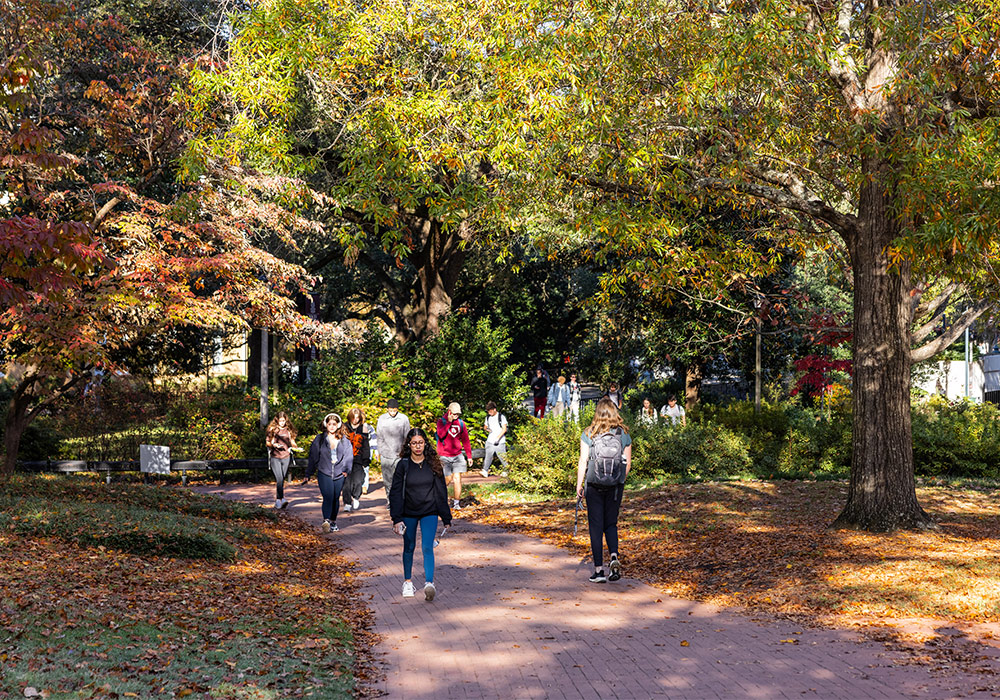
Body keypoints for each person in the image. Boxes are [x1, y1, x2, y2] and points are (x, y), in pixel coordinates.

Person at [390, 428, 452, 601]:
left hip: (429, 511)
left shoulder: (433, 464)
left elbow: (441, 491)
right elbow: (395, 492)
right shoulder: (403, 465)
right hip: (408, 512)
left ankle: (429, 584)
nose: (418, 446)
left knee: (427, 547)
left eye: (421, 442)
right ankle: (408, 582)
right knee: (409, 546)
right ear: (409, 445)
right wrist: (397, 519)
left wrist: (446, 517)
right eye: (414, 443)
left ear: (426, 443)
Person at [575, 397, 632, 583]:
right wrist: (618, 480)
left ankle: (599, 570)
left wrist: (579, 485)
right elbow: (627, 463)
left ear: (597, 413)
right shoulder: (623, 434)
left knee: (596, 527)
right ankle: (614, 556)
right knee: (611, 524)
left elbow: (583, 461)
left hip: (593, 485)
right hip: (615, 486)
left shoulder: (589, 433)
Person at [303, 413, 353, 533]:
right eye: (329, 424)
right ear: (326, 425)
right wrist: (308, 474)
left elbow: (348, 456)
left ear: (338, 425)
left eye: (334, 424)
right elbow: (313, 457)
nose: (331, 426)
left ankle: (333, 521)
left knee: (335, 498)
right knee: (328, 496)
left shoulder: (344, 440)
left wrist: (346, 470)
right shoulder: (319, 439)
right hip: (324, 472)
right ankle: (326, 521)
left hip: (339, 473)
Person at [436, 402, 472, 510]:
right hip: (444, 455)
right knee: (447, 479)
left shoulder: (461, 423)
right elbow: (441, 434)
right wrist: (448, 423)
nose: (456, 416)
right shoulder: (441, 422)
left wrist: (469, 456)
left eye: (458, 414)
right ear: (449, 412)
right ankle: (438, 499)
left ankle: (456, 503)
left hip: (457, 454)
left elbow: (465, 440)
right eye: (455, 414)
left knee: (457, 478)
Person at [375, 398, 411, 501]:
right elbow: (380, 436)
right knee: (388, 480)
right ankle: (390, 500)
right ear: (387, 409)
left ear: (397, 409)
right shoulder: (382, 419)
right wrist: (379, 451)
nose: (392, 413)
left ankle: (402, 500)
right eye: (390, 410)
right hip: (386, 454)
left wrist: (406, 451)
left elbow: (407, 436)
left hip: (400, 453)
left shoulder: (403, 419)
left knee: (402, 478)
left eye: (394, 410)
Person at [343, 407, 375, 512]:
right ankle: (347, 503)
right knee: (346, 483)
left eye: (357, 418)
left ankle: (356, 497)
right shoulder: (344, 427)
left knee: (358, 481)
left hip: (358, 458)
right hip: (346, 459)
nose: (355, 420)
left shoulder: (363, 428)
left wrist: (366, 459)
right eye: (353, 417)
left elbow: (366, 445)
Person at [265, 411, 298, 509]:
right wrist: (273, 445)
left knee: (282, 479)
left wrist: (296, 447)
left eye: (284, 421)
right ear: (277, 420)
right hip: (275, 457)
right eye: (280, 421)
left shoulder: (288, 430)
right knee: (279, 478)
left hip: (286, 456)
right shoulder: (272, 430)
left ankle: (278, 500)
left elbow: (292, 441)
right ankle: (280, 499)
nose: (282, 423)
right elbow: (267, 443)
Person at [480, 401, 509, 478]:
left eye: (490, 411)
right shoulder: (488, 417)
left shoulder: (501, 417)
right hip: (490, 440)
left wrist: (498, 438)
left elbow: (504, 429)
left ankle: (507, 470)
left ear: (494, 409)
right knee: (488, 456)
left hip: (500, 441)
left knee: (502, 456)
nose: (489, 413)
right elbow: (485, 426)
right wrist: (487, 429)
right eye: (488, 411)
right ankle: (485, 471)